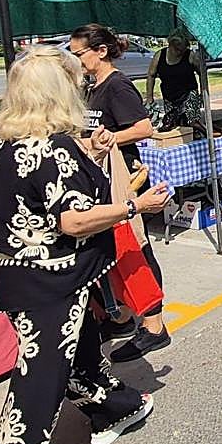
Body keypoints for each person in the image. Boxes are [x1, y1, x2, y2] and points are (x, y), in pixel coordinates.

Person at [0, 46, 170, 444]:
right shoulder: (54, 148)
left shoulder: (4, 149)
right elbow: (74, 219)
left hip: (17, 278)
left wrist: (96, 155)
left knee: (81, 348)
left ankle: (114, 408)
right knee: (38, 384)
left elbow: (53, 199)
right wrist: (133, 206)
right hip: (53, 281)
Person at [69, 24, 170, 362]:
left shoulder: (117, 85)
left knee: (134, 246)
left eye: (79, 53)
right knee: (110, 249)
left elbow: (144, 128)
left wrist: (106, 141)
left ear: (100, 51)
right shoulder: (91, 86)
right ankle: (122, 317)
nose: (76, 59)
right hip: (99, 177)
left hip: (120, 178)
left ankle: (154, 326)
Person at [145, 29, 203, 127]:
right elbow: (151, 75)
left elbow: (201, 73)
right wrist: (150, 98)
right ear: (170, 44)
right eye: (178, 49)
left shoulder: (190, 56)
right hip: (169, 96)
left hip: (188, 94)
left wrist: (202, 93)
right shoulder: (159, 55)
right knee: (171, 123)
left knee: (191, 123)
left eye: (183, 49)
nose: (180, 52)